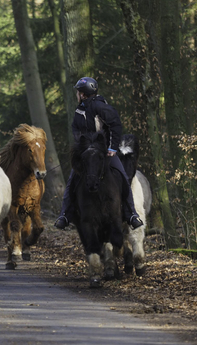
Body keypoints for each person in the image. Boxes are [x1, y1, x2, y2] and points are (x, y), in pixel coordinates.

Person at [54, 77, 144, 230]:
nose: (77, 94)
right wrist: (81, 146)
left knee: (122, 176)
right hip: (87, 153)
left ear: (83, 94)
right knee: (72, 181)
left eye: (78, 92)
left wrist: (112, 148)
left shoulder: (101, 107)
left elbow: (115, 126)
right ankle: (65, 215)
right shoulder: (79, 110)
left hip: (105, 152)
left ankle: (131, 214)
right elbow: (76, 130)